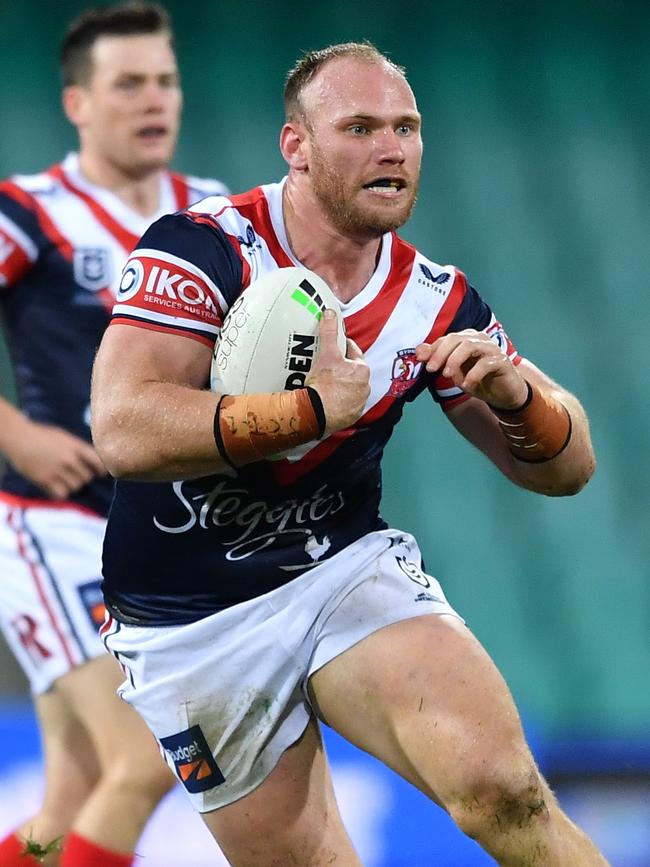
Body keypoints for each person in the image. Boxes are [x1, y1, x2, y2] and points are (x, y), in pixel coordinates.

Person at [89, 41, 609, 866]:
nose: (392, 148)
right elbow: (121, 428)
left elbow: (566, 469)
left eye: (407, 127)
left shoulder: (435, 298)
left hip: (339, 571)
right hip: (189, 620)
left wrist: (520, 401)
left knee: (504, 791)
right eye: (360, 126)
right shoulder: (204, 249)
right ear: (295, 145)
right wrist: (305, 410)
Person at [0, 3, 229, 866]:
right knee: (146, 757)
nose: (153, 99)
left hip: (151, 532)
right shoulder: (29, 210)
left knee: (71, 791)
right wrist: (17, 433)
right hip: (49, 525)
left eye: (164, 81)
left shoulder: (209, 212)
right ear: (79, 105)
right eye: (127, 84)